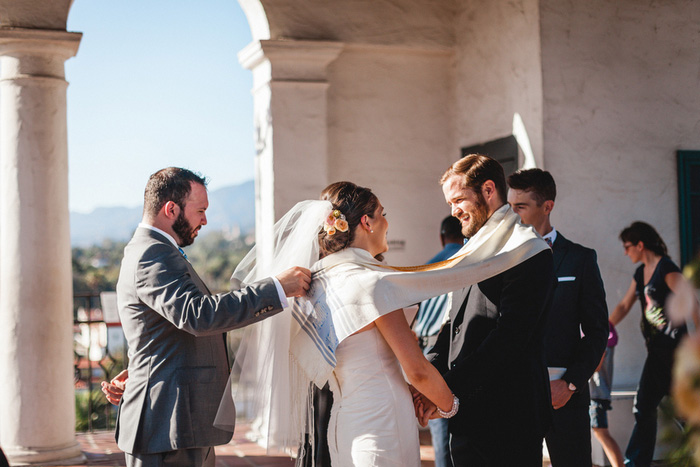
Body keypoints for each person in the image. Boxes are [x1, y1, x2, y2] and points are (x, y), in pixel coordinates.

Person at [226, 174, 550, 466]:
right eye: (383, 215)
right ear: (366, 223)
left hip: (343, 424)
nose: (386, 223)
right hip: (383, 426)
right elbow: (418, 371)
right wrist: (448, 405)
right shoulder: (373, 283)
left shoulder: (317, 283)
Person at [104, 167, 311, 467]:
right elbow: (198, 314)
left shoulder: (156, 250)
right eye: (200, 210)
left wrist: (141, 372)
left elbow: (158, 328)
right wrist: (276, 289)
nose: (205, 220)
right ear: (170, 208)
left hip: (178, 422)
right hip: (168, 423)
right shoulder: (153, 254)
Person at [420, 155, 556, 466]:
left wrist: (445, 388)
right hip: (469, 412)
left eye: (458, 199)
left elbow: (510, 337)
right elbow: (454, 323)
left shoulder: (528, 250)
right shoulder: (473, 249)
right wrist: (427, 373)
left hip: (510, 416)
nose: (453, 212)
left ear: (489, 189)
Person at [507, 168, 608, 466]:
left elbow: (597, 330)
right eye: (509, 207)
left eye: (520, 207)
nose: (512, 215)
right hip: (514, 394)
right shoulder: (500, 259)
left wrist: (571, 384)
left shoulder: (580, 258)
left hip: (564, 394)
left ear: (547, 206)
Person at [609, 221, 690, 467]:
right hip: (656, 355)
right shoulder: (639, 273)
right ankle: (636, 462)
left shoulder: (667, 268)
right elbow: (624, 306)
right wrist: (602, 329)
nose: (625, 252)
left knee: (685, 412)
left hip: (677, 354)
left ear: (640, 245)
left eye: (627, 246)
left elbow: (692, 304)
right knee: (643, 406)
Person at [412, 215, 465, 467]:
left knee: (440, 424)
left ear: (442, 236)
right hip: (454, 347)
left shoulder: (428, 266)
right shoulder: (469, 260)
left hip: (427, 346)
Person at [589, 321, 624, 467]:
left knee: (602, 433)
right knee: (600, 433)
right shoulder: (604, 334)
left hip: (597, 395)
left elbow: (595, 366)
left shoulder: (600, 337)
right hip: (597, 394)